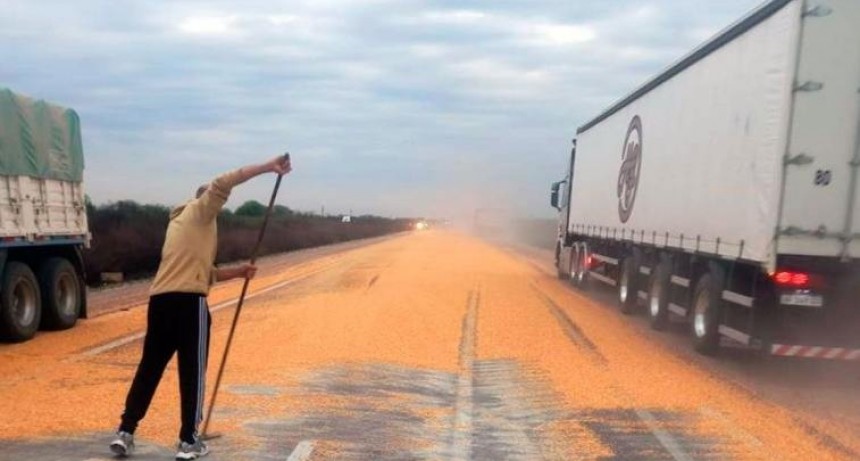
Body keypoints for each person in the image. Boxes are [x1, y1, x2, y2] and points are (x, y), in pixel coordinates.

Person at [109, 155, 292, 460]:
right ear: (205, 200)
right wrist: (268, 167)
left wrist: (240, 272)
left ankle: (125, 432)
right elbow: (223, 182)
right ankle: (188, 441)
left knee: (149, 369)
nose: (217, 207)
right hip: (188, 305)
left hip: (160, 302)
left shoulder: (180, 225)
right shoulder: (202, 212)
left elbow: (205, 273)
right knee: (192, 372)